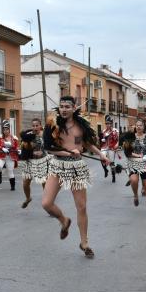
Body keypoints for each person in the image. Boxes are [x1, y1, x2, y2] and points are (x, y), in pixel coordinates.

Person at [42, 96, 109, 259]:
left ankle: (84, 242)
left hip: (77, 167)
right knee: (46, 204)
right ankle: (64, 220)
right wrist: (67, 152)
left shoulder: (80, 126)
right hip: (58, 165)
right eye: (61, 106)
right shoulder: (53, 125)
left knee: (82, 207)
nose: (64, 109)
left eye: (67, 106)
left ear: (74, 108)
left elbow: (85, 144)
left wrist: (101, 154)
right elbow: (49, 148)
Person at [122, 118, 146, 212]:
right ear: (135, 127)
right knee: (133, 180)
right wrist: (137, 155)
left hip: (145, 163)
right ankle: (135, 195)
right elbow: (127, 152)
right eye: (137, 125)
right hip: (133, 162)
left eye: (140, 125)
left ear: (144, 126)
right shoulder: (130, 137)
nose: (138, 127)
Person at [19, 117, 49, 208]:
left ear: (40, 126)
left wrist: (42, 152)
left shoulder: (45, 135)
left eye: (37, 125)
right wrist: (31, 152)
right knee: (25, 183)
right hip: (30, 162)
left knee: (44, 182)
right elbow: (23, 148)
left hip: (42, 161)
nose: (35, 127)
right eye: (33, 126)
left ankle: (48, 203)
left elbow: (50, 147)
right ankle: (28, 198)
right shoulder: (27, 135)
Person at [0, 120, 19, 190]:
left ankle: (12, 186)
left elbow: (17, 146)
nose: (5, 131)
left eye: (7, 129)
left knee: (10, 171)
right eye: (4, 129)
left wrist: (18, 150)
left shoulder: (14, 138)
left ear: (9, 129)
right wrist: (2, 148)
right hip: (1, 155)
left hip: (10, 156)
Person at [100, 115, 119, 182]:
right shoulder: (103, 131)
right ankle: (105, 170)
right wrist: (102, 140)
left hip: (111, 147)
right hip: (104, 147)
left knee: (111, 163)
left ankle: (113, 176)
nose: (108, 125)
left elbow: (117, 140)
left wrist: (117, 145)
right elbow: (101, 139)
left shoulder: (115, 130)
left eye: (109, 123)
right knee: (102, 158)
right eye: (106, 123)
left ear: (111, 123)